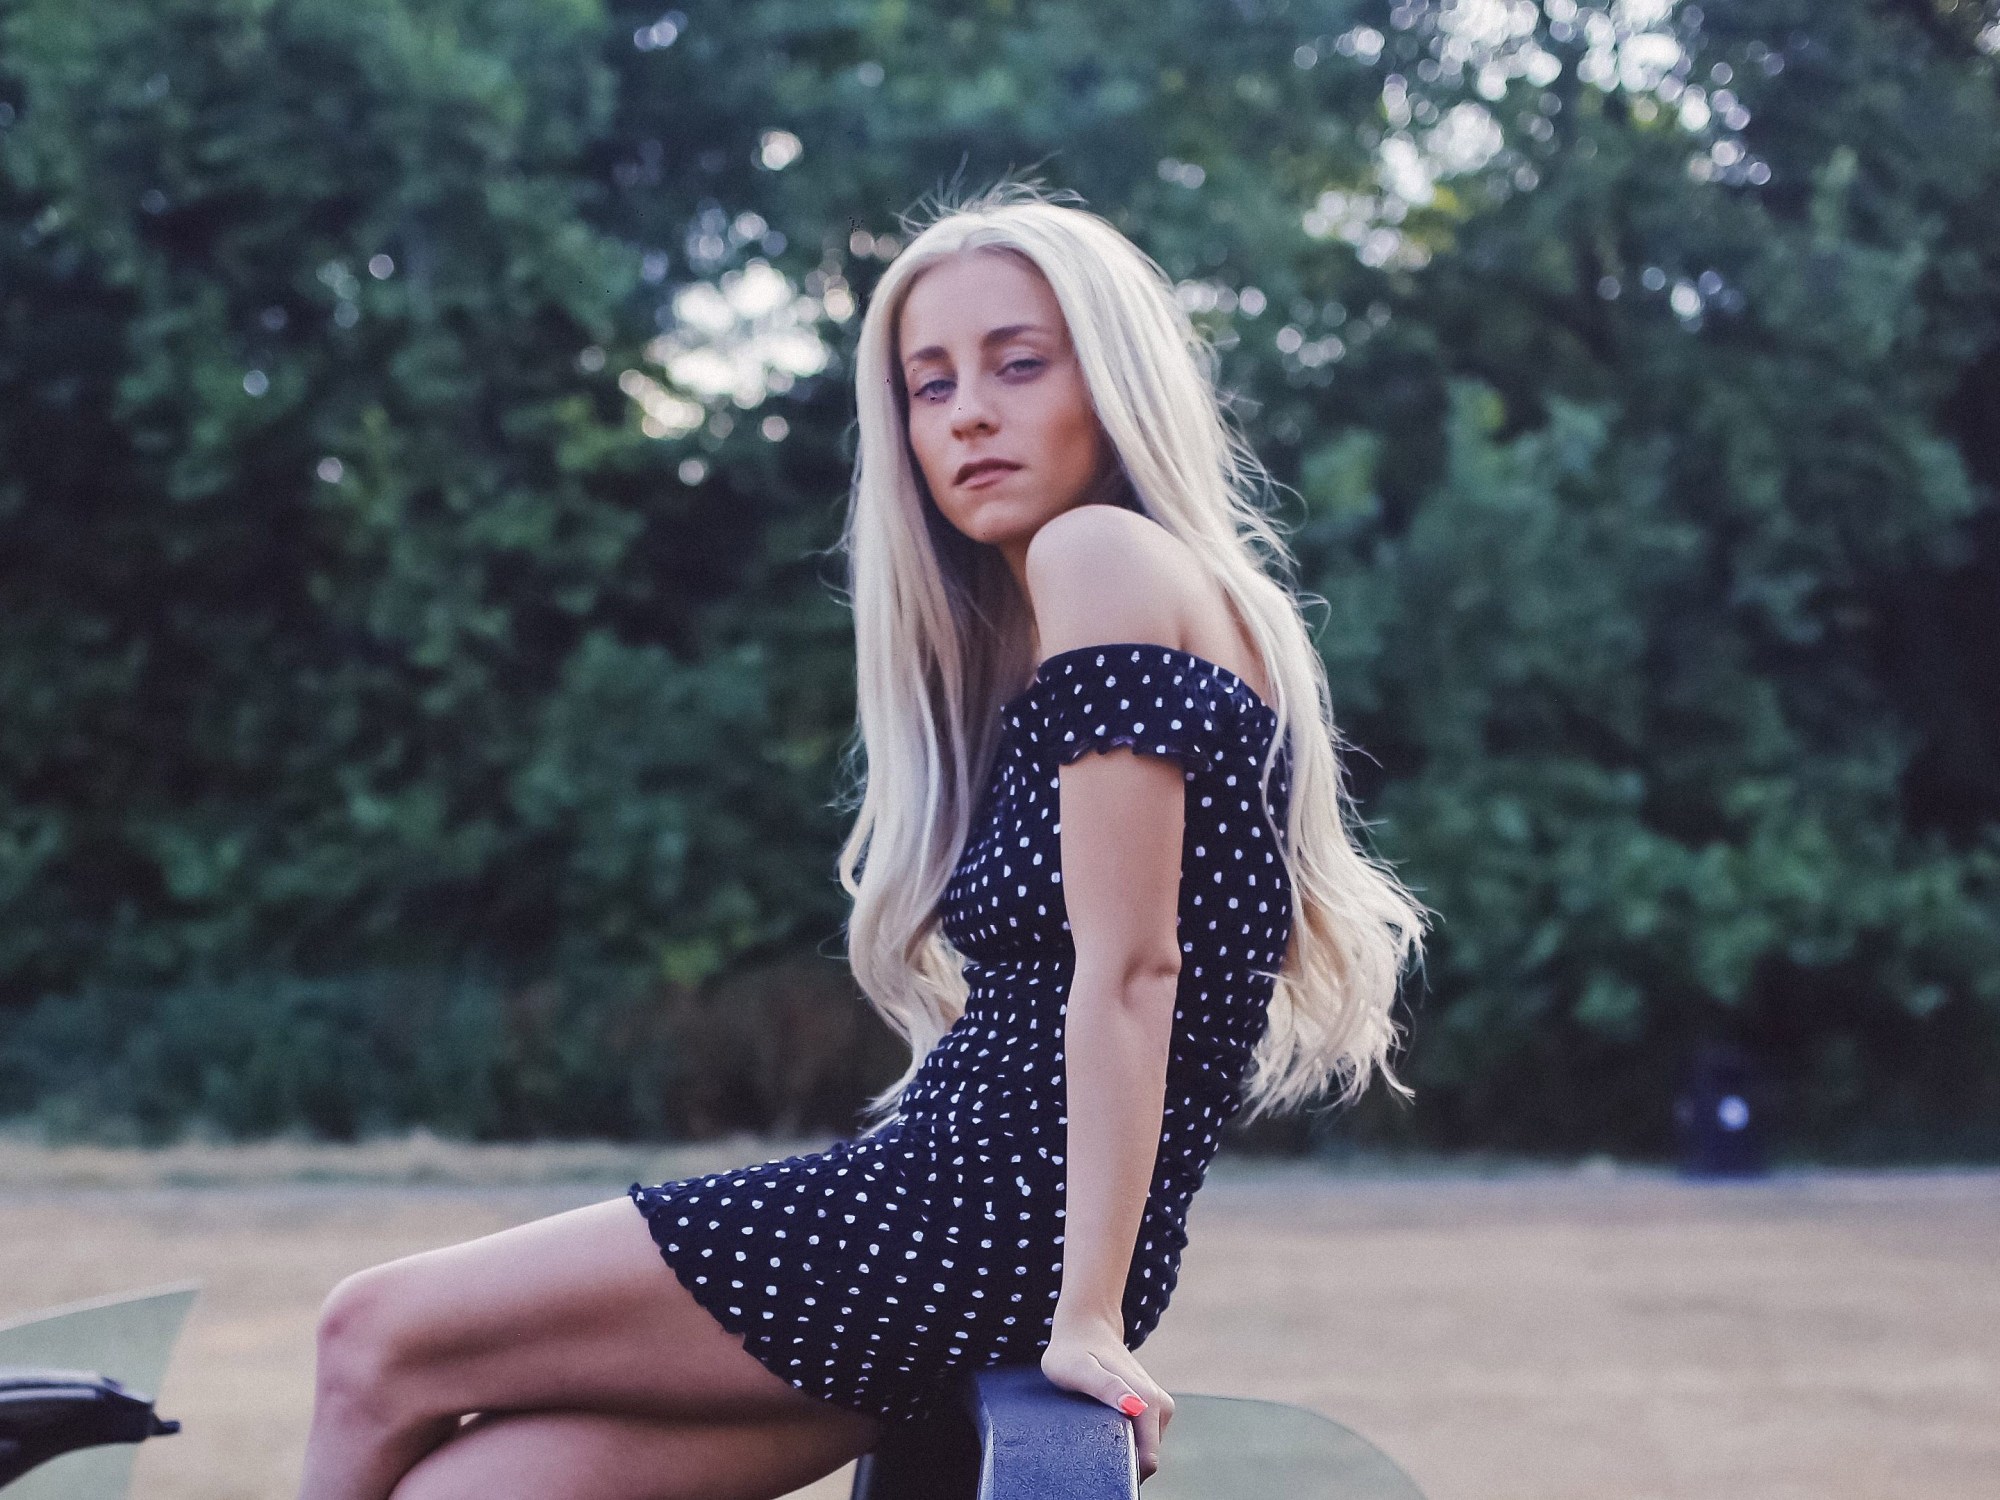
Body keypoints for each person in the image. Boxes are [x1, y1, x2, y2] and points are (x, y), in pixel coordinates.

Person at [295, 180, 1429, 1500]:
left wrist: (1086, 1317)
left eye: (1018, 364)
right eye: (929, 385)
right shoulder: (1099, 614)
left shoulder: (1102, 558)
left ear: (1115, 377)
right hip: (978, 1227)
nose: (969, 415)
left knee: (368, 1334)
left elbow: (1134, 971)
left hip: (966, 1220)